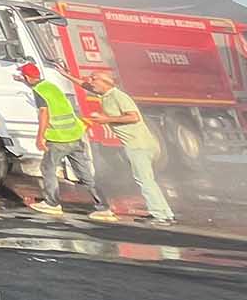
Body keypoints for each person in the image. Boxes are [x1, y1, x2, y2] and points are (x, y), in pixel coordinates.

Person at [21, 63, 116, 221]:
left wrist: (40, 137)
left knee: (48, 168)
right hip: (74, 136)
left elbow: (44, 113)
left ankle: (52, 204)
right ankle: (104, 207)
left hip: (58, 138)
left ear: (26, 77)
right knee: (84, 174)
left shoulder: (39, 91)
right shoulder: (51, 86)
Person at [83, 71, 175, 224]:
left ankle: (161, 216)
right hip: (141, 144)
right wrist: (65, 74)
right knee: (147, 180)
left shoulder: (118, 96)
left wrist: (107, 119)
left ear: (105, 82)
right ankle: (165, 213)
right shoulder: (106, 95)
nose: (90, 81)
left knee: (144, 180)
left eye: (94, 79)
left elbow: (134, 117)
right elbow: (84, 85)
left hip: (138, 145)